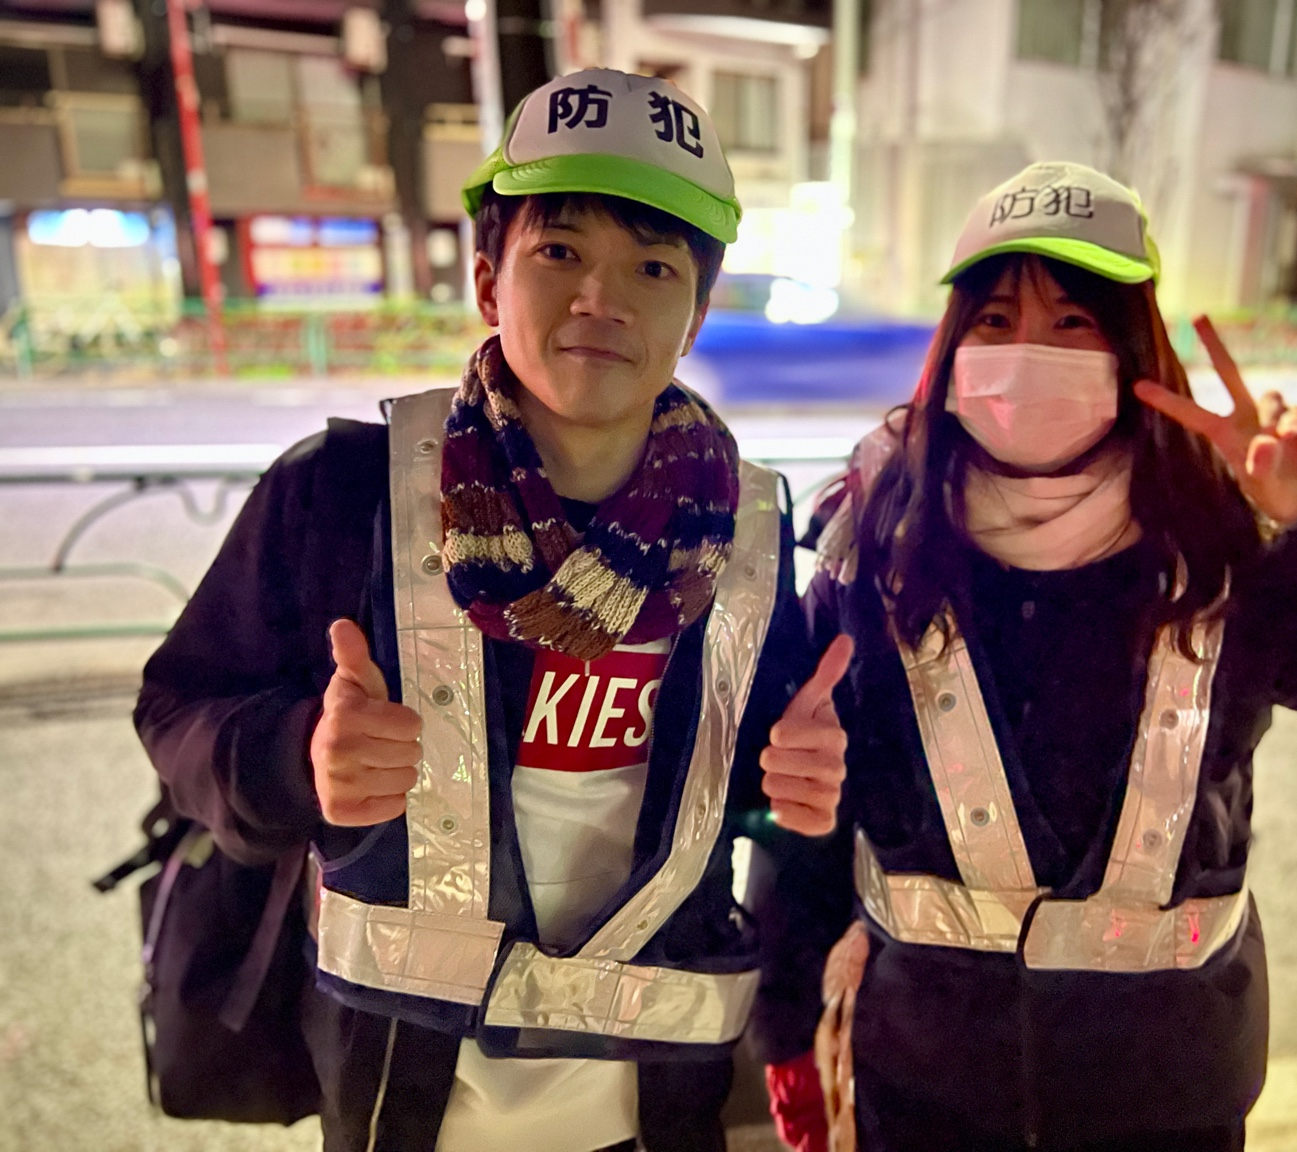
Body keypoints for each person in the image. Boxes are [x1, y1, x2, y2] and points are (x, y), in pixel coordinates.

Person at [751, 160, 1297, 1152]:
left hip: (1171, 1104)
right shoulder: (876, 545)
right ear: (953, 348)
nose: (1028, 350)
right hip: (924, 1094)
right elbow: (803, 815)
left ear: (1131, 350)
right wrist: (786, 1027)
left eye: (1072, 321)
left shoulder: (1225, 552)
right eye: (995, 319)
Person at [135, 69, 852, 1152]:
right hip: (405, 1089)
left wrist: (788, 781)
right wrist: (299, 758)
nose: (601, 298)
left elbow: (733, 780)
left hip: (655, 1093)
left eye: (654, 267)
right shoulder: (345, 493)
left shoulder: (743, 529)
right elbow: (178, 712)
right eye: (559, 252)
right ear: (487, 280)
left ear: (696, 315)